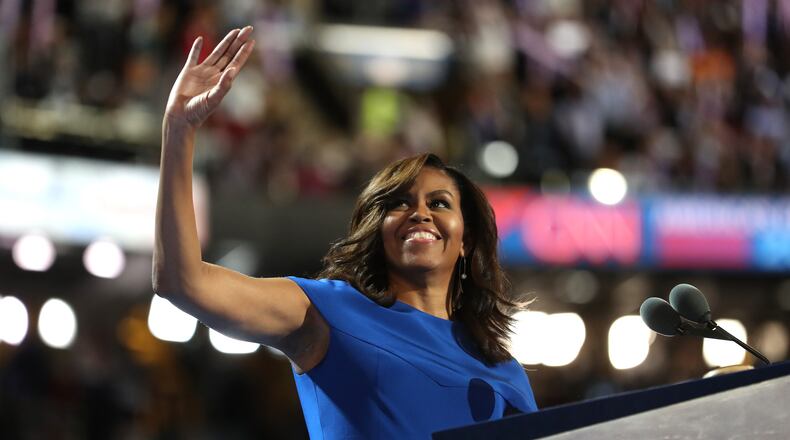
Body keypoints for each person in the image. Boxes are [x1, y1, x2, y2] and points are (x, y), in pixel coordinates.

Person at [153, 26, 538, 439]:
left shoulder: (502, 369)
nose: (420, 213)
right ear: (378, 231)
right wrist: (179, 130)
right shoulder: (326, 313)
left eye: (440, 203)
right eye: (399, 203)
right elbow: (182, 282)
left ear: (466, 241)